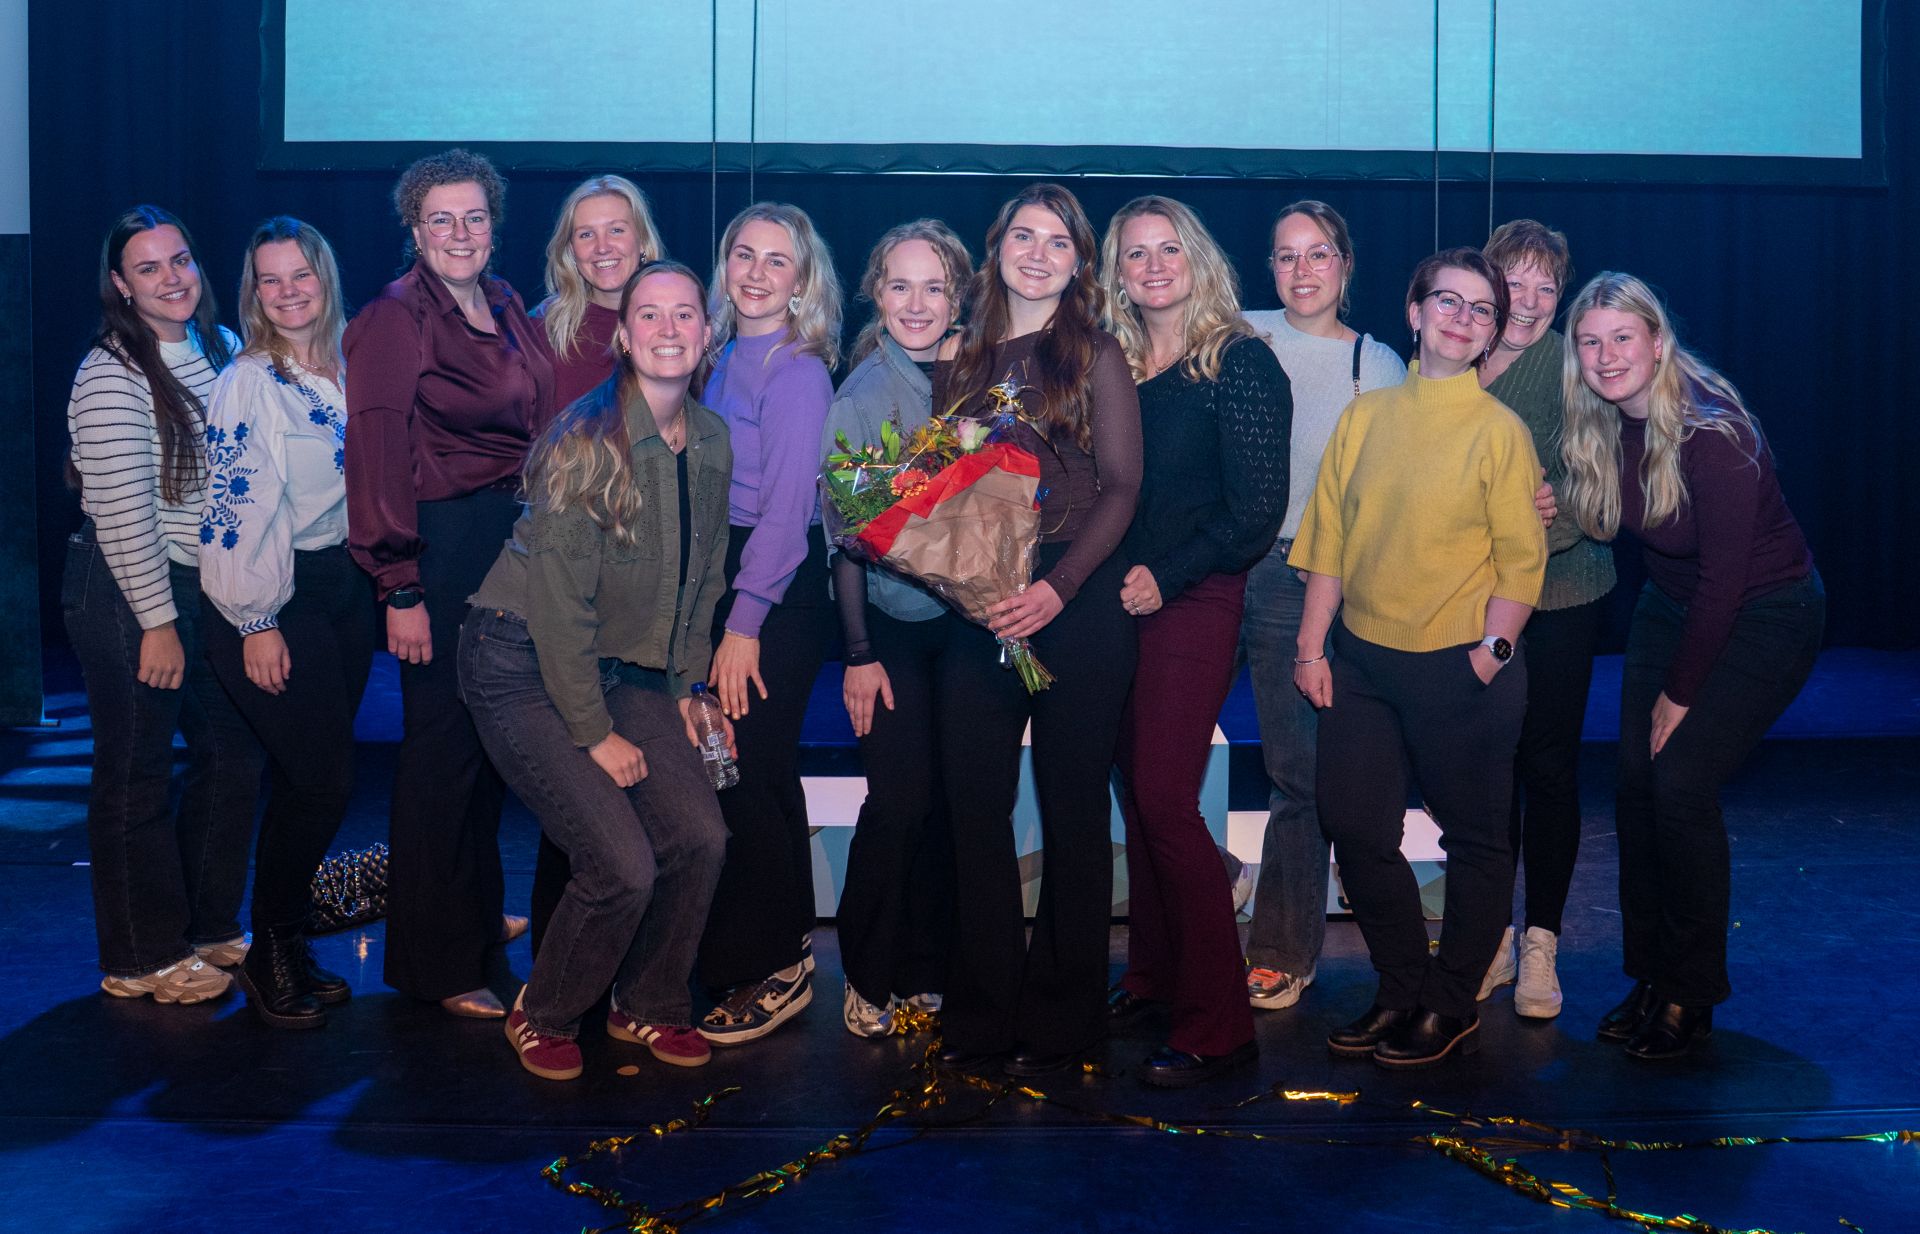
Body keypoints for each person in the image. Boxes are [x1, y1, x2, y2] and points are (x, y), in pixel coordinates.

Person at [462, 261, 732, 1081]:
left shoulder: (711, 440)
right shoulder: (586, 446)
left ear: (707, 335)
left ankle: (646, 1004)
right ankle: (543, 1013)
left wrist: (689, 690)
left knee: (701, 837)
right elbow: (559, 614)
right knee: (622, 865)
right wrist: (596, 735)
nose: (668, 330)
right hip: (518, 658)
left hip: (618, 667)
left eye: (684, 315)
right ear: (622, 335)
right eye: (649, 315)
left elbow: (700, 576)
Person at [1292, 247, 1545, 1070]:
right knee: (1356, 827)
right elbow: (1329, 537)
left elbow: (1521, 560)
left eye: (1482, 311)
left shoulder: (1500, 432)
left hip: (1458, 672)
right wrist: (1310, 646)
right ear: (1414, 310)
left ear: (1491, 335)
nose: (1462, 318)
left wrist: (1491, 654)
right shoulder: (1364, 418)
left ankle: (1451, 1003)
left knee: (1476, 843)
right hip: (1361, 663)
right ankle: (1401, 989)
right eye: (1448, 300)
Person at [1563, 273, 1823, 1061]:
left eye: (1621, 338)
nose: (1606, 357)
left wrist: (1678, 697)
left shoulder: (1715, 435)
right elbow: (1610, 520)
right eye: (1590, 341)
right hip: (1672, 607)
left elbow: (1725, 584)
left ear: (1657, 342)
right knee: (1636, 787)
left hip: (1766, 614)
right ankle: (1650, 972)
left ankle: (1692, 992)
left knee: (1678, 782)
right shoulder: (1600, 425)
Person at [931, 183, 1143, 1077]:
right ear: (999, 248)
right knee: (972, 811)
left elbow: (1124, 486)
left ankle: (1064, 1014)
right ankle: (983, 1008)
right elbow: (940, 495)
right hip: (981, 607)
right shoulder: (958, 354)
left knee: (1071, 809)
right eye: (1025, 235)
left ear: (1078, 262)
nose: (1039, 252)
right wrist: (972, 584)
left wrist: (1056, 590)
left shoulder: (1094, 353)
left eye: (1059, 241)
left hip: (1076, 603)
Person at [344, 148, 556, 1018]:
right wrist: (399, 584)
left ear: (494, 224)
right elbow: (376, 450)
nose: (460, 233)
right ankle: (435, 963)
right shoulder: (395, 318)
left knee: (490, 748)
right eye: (441, 219)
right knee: (440, 756)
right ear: (413, 229)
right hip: (441, 545)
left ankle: (469, 916)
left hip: (508, 539)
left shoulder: (505, 304)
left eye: (474, 217)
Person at [1096, 196, 1291, 1086]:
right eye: (1135, 255)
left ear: (1198, 257)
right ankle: (1154, 975)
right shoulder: (1118, 364)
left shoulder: (1242, 363)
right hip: (1119, 600)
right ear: (1117, 274)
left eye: (1168, 248)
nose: (1153, 265)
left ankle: (1219, 1022)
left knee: (1169, 798)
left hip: (1195, 598)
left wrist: (1165, 578)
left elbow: (1255, 515)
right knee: (1137, 790)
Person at [64, 205, 262, 1004]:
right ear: (120, 284)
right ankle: (138, 957)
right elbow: (123, 511)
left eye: (180, 260)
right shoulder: (110, 371)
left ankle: (208, 925)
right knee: (136, 775)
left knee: (234, 757)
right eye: (148, 268)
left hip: (203, 584)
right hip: (126, 587)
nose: (172, 278)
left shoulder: (220, 349)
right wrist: (157, 621)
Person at [200, 217, 374, 1028]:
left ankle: (288, 938)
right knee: (321, 779)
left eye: (300, 274)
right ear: (254, 293)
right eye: (270, 280)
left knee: (316, 781)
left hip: (348, 590)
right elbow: (235, 510)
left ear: (324, 276)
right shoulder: (249, 380)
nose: (288, 291)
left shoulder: (352, 364)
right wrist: (254, 619)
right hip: (276, 593)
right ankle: (269, 947)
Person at [1238, 202, 1406, 1013]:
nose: (1301, 272)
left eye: (1318, 256)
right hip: (1211, 568)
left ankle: (1281, 949)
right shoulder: (1234, 332)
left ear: (1345, 264)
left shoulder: (1375, 365)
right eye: (1285, 256)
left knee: (1299, 775)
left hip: (1310, 578)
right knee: (1148, 762)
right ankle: (1210, 900)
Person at [693, 203, 840, 1045]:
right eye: (742, 254)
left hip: (770, 595)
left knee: (744, 772)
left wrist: (743, 624)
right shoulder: (718, 356)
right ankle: (770, 949)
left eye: (776, 261)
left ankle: (773, 967)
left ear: (803, 280)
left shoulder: (796, 374)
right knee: (753, 773)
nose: (755, 273)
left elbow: (787, 517)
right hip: (724, 580)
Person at [824, 220, 972, 1038]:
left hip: (971, 629)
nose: (917, 304)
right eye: (901, 285)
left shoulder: (981, 381)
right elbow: (845, 538)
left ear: (958, 298)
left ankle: (928, 966)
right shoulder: (860, 396)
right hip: (889, 628)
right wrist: (857, 656)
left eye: (935, 287)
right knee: (902, 800)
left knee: (953, 803)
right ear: (876, 293)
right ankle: (870, 972)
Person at [1473, 220, 1616, 1021]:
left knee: (1548, 770)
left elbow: (1596, 502)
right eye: (1514, 281)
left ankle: (1542, 943)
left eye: (1544, 287)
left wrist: (1518, 535)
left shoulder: (1575, 364)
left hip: (1561, 596)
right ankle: (1488, 935)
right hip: (1467, 600)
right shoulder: (1451, 350)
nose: (1526, 301)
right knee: (1482, 771)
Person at [526, 174, 666, 958]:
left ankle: (639, 967)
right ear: (568, 249)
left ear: (643, 240)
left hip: (655, 582)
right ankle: (560, 969)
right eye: (588, 233)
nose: (606, 247)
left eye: (619, 231)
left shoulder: (678, 318)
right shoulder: (546, 333)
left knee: (652, 788)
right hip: (577, 579)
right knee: (580, 790)